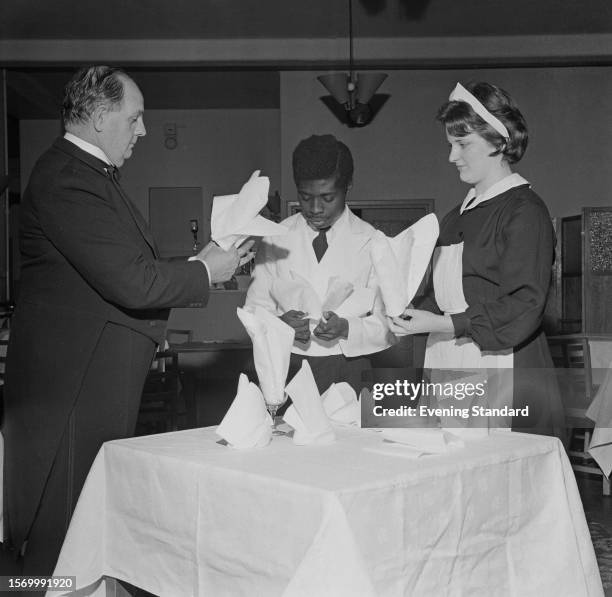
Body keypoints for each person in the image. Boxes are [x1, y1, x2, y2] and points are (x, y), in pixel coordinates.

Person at [2, 65, 253, 576]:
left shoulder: (86, 177)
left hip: (88, 385)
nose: (142, 130)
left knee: (87, 527)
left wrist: (201, 261)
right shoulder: (68, 180)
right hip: (73, 394)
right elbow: (132, 284)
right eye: (134, 118)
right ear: (98, 116)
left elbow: (126, 269)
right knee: (63, 538)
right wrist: (207, 272)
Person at [389, 81, 564, 437]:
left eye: (462, 144)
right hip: (450, 362)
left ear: (499, 143)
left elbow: (525, 304)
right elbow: (445, 294)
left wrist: (445, 325)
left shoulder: (524, 211)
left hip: (502, 364)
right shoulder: (454, 218)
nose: (452, 156)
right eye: (450, 144)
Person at [245, 134, 395, 395]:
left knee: (351, 434)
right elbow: (254, 311)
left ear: (347, 185)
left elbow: (390, 324)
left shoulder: (374, 241)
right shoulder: (274, 238)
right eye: (305, 197)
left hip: (350, 367)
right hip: (289, 365)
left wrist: (348, 327)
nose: (315, 208)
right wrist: (280, 326)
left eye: (327, 198)